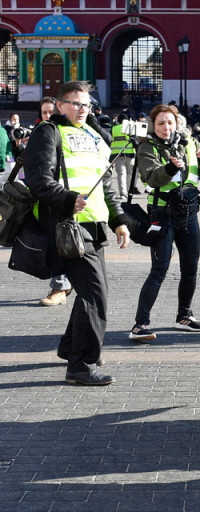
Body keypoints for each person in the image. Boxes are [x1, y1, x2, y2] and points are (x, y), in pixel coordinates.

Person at [23, 80, 131, 385]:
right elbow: (39, 180)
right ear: (60, 105)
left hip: (94, 226)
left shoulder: (94, 134)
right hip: (67, 226)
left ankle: (71, 348)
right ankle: (81, 365)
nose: (81, 109)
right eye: (74, 103)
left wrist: (118, 219)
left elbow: (105, 182)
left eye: (86, 104)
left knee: (93, 293)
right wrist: (69, 199)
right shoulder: (49, 132)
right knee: (95, 295)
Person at [128, 104, 200, 342]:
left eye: (170, 122)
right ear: (153, 125)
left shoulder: (190, 143)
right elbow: (151, 176)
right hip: (162, 212)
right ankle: (140, 325)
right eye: (160, 123)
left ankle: (184, 316)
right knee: (159, 270)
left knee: (191, 267)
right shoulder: (148, 146)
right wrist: (170, 167)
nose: (166, 128)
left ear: (177, 123)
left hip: (189, 212)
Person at [32, 97, 77, 307]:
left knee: (62, 243)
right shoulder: (42, 132)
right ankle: (63, 284)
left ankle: (60, 287)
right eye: (44, 113)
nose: (48, 116)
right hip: (48, 197)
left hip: (67, 196)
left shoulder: (66, 133)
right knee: (55, 242)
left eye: (51, 112)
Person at [109, 112, 137, 199]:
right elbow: (136, 141)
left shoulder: (113, 129)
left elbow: (109, 140)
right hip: (130, 154)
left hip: (117, 155)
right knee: (130, 173)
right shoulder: (130, 129)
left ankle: (123, 194)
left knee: (121, 174)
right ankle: (129, 192)